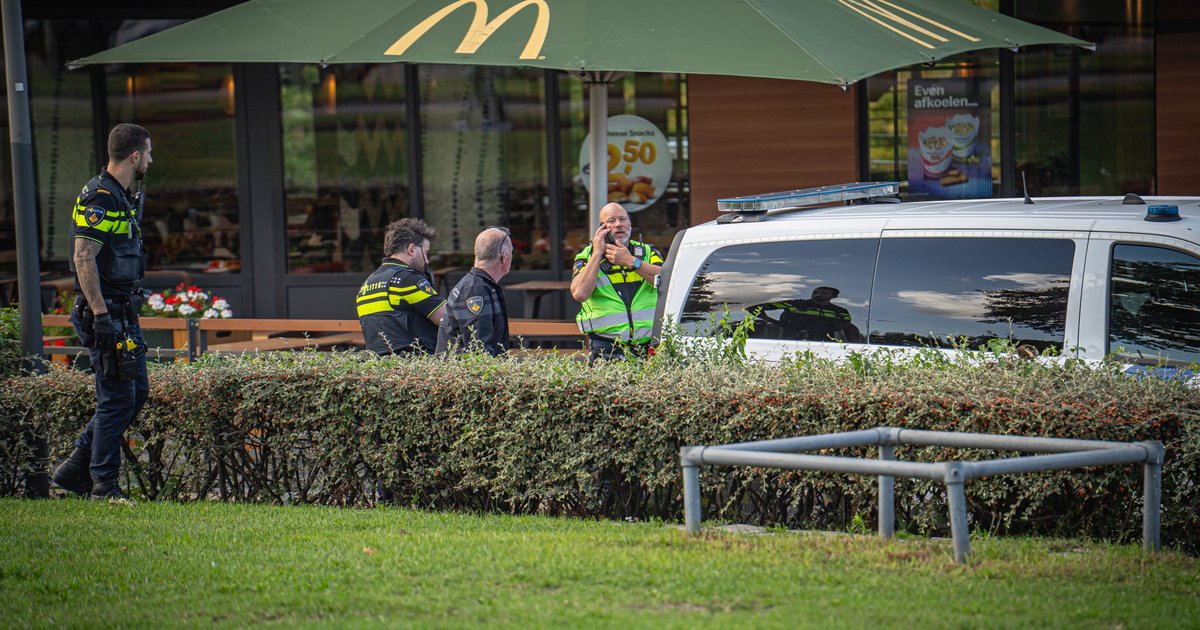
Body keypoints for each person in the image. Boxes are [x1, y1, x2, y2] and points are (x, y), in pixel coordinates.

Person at [52, 123, 153, 501]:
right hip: (107, 313)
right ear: (135, 155)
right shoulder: (101, 197)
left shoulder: (120, 195)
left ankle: (73, 470)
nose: (151, 160)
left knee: (136, 392)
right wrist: (101, 315)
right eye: (149, 153)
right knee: (116, 399)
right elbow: (84, 256)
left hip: (123, 312)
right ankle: (104, 486)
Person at [570, 203, 663, 360]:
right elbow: (580, 293)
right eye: (611, 220)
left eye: (623, 219)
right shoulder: (587, 256)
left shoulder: (648, 253)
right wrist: (597, 253)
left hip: (648, 347)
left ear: (630, 224)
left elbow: (669, 281)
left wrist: (632, 262)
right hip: (606, 348)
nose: (618, 224)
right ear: (601, 228)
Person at [356, 218, 446, 355]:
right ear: (411, 250)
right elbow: (447, 319)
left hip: (379, 368)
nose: (427, 261)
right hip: (417, 367)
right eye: (426, 253)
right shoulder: (407, 279)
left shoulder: (366, 284)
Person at [436, 227, 513, 356]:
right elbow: (479, 350)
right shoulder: (475, 290)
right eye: (511, 252)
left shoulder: (480, 285)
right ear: (504, 257)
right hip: (461, 374)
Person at [750, 286, 862, 342]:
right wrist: (769, 319)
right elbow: (754, 307)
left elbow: (849, 329)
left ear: (833, 296)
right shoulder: (795, 304)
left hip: (825, 346)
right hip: (790, 342)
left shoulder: (840, 312)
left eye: (824, 293)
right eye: (816, 292)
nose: (818, 295)